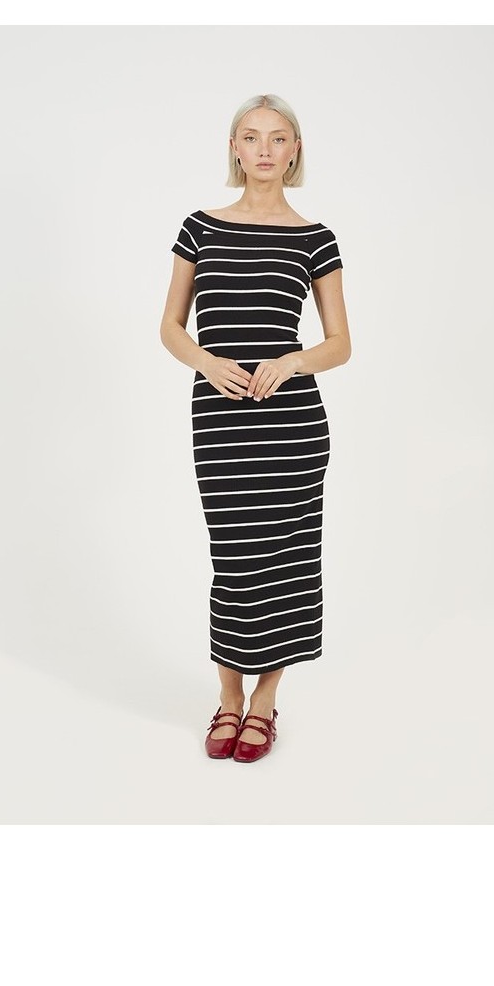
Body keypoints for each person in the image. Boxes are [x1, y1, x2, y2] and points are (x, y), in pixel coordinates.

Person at [159, 94, 351, 762]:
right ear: (234, 148)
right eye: (250, 137)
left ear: (295, 151)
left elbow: (341, 344)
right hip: (220, 419)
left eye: (277, 138)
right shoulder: (200, 228)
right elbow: (170, 327)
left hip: (292, 425)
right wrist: (207, 361)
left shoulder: (314, 238)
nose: (264, 149)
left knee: (287, 560)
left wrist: (293, 361)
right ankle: (227, 696)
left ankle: (264, 699)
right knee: (235, 558)